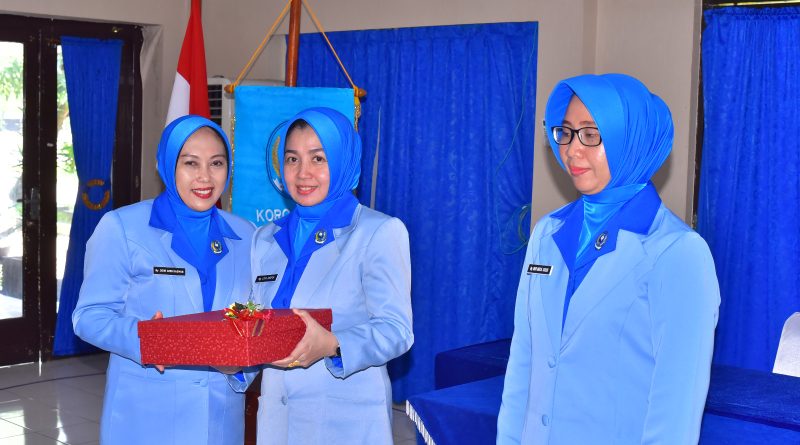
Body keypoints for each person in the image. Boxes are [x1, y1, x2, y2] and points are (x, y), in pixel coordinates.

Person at [496, 74, 720, 444]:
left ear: (630, 141)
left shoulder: (678, 253)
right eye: (566, 132)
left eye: (590, 134)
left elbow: (675, 412)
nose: (572, 149)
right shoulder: (547, 234)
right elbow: (524, 362)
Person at [73, 115, 254, 444]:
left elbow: (254, 319)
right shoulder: (122, 228)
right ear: (167, 165)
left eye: (216, 163)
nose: (204, 176)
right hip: (146, 417)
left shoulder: (245, 235)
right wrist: (147, 340)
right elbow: (88, 317)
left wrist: (241, 366)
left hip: (220, 421)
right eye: (190, 163)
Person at [249, 107, 413, 444]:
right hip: (277, 423)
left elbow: (397, 330)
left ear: (343, 161)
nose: (303, 173)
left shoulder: (378, 231)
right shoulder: (264, 239)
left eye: (318, 158)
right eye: (292, 159)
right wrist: (233, 365)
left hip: (345, 422)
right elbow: (256, 324)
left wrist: (333, 344)